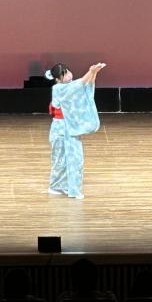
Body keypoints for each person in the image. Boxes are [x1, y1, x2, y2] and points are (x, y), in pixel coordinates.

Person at [45, 62, 106, 199]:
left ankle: (69, 188)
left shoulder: (69, 86)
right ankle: (57, 186)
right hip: (60, 129)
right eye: (64, 74)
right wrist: (91, 72)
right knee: (60, 160)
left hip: (70, 127)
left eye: (67, 71)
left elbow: (86, 86)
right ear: (57, 79)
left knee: (75, 159)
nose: (68, 75)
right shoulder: (58, 89)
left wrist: (94, 73)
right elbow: (79, 84)